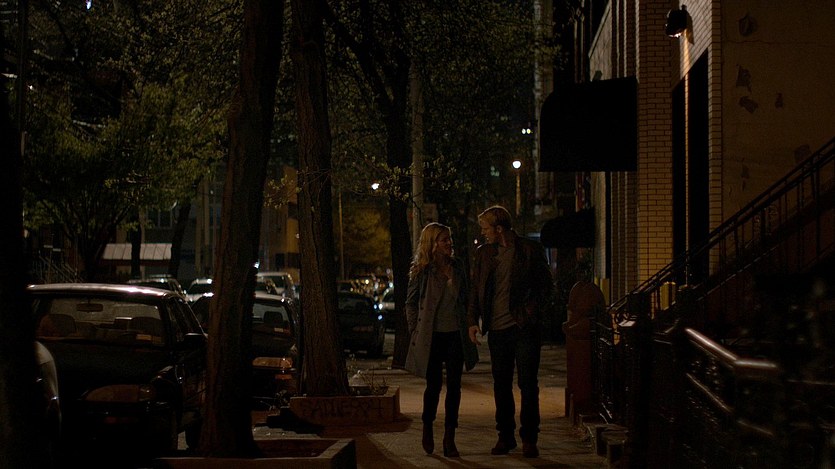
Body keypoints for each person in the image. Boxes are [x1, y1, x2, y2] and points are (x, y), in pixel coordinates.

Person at [467, 205, 554, 458]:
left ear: (499, 228)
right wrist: (472, 320)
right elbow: (476, 288)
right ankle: (505, 436)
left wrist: (530, 312)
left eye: (486, 228)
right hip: (497, 329)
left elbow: (546, 286)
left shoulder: (529, 250)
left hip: (524, 327)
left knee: (528, 384)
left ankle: (529, 438)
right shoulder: (484, 254)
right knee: (501, 385)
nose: (483, 233)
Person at [405, 222, 479, 458]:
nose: (449, 243)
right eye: (444, 239)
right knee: (434, 386)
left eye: (450, 239)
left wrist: (470, 323)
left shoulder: (458, 267)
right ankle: (427, 426)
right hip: (432, 336)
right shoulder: (423, 270)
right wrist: (415, 331)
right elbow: (410, 303)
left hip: (455, 334)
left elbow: (466, 299)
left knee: (455, 387)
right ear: (433, 244)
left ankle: (450, 437)